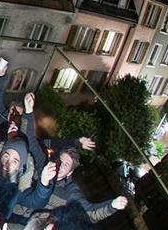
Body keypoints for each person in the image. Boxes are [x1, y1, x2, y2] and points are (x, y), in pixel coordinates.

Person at [21, 92, 128, 222]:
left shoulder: (69, 193)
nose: (60, 165)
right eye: (60, 161)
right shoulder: (43, 164)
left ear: (70, 172)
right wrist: (28, 112)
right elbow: (29, 141)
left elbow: (89, 214)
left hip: (25, 222)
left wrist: (112, 206)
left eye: (66, 165)